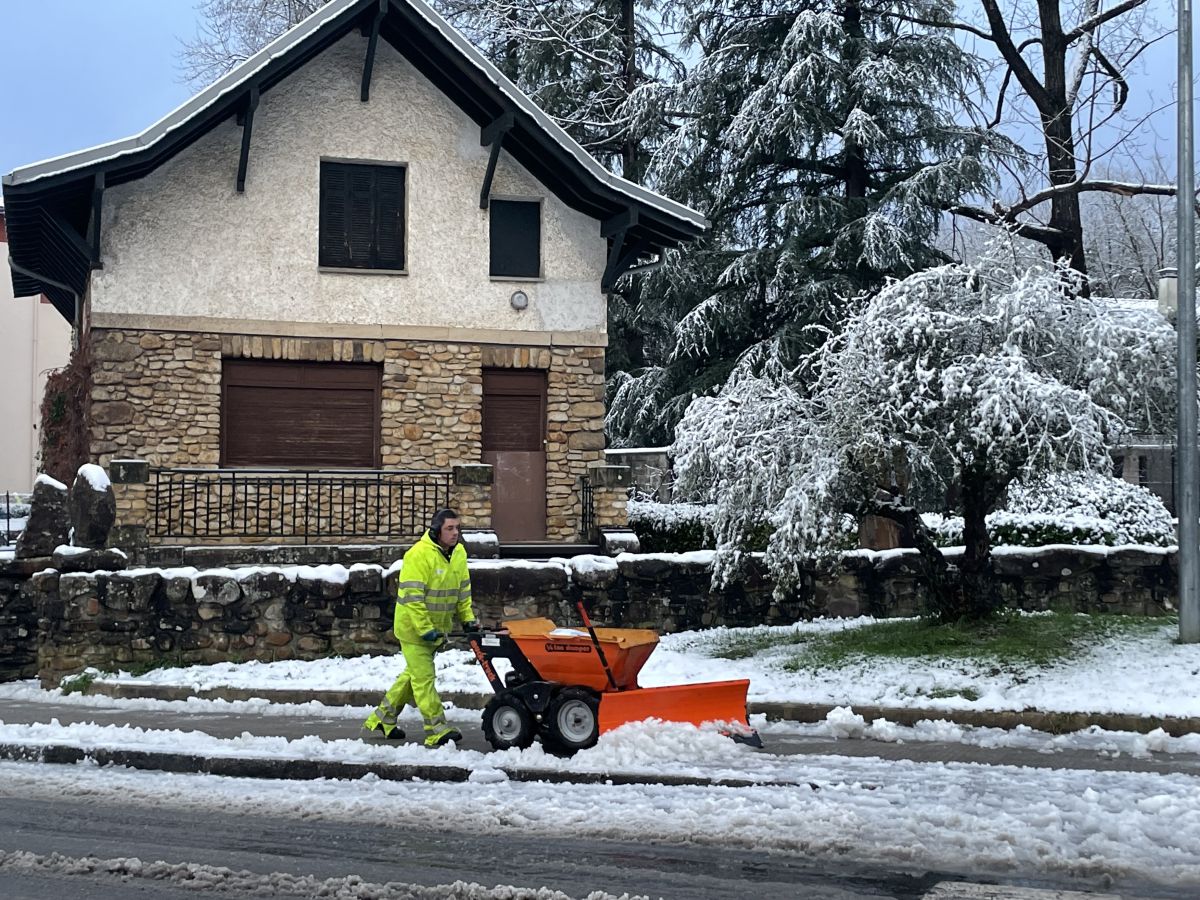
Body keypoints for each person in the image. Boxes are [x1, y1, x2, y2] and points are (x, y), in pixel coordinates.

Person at [362, 507, 479, 748]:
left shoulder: (459, 554)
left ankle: (383, 718)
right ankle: (436, 729)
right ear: (436, 530)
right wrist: (425, 628)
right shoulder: (418, 555)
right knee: (424, 679)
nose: (455, 533)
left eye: (457, 528)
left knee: (412, 676)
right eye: (449, 528)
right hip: (413, 630)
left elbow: (463, 592)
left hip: (436, 629)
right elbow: (413, 598)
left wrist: (468, 619)